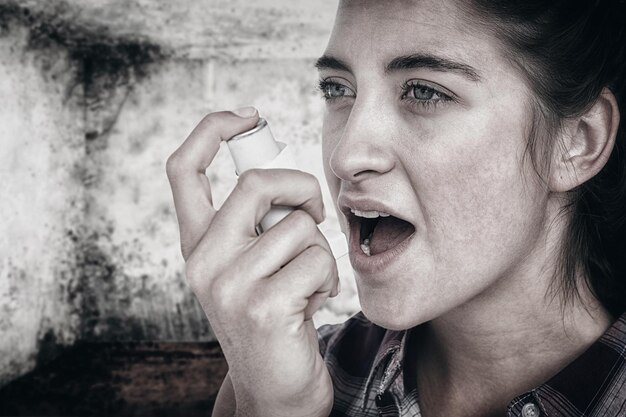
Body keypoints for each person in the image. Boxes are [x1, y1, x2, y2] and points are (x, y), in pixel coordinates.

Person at [166, 0, 626, 416]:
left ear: (577, 142)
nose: (345, 157)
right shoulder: (283, 384)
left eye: (424, 92)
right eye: (337, 89)